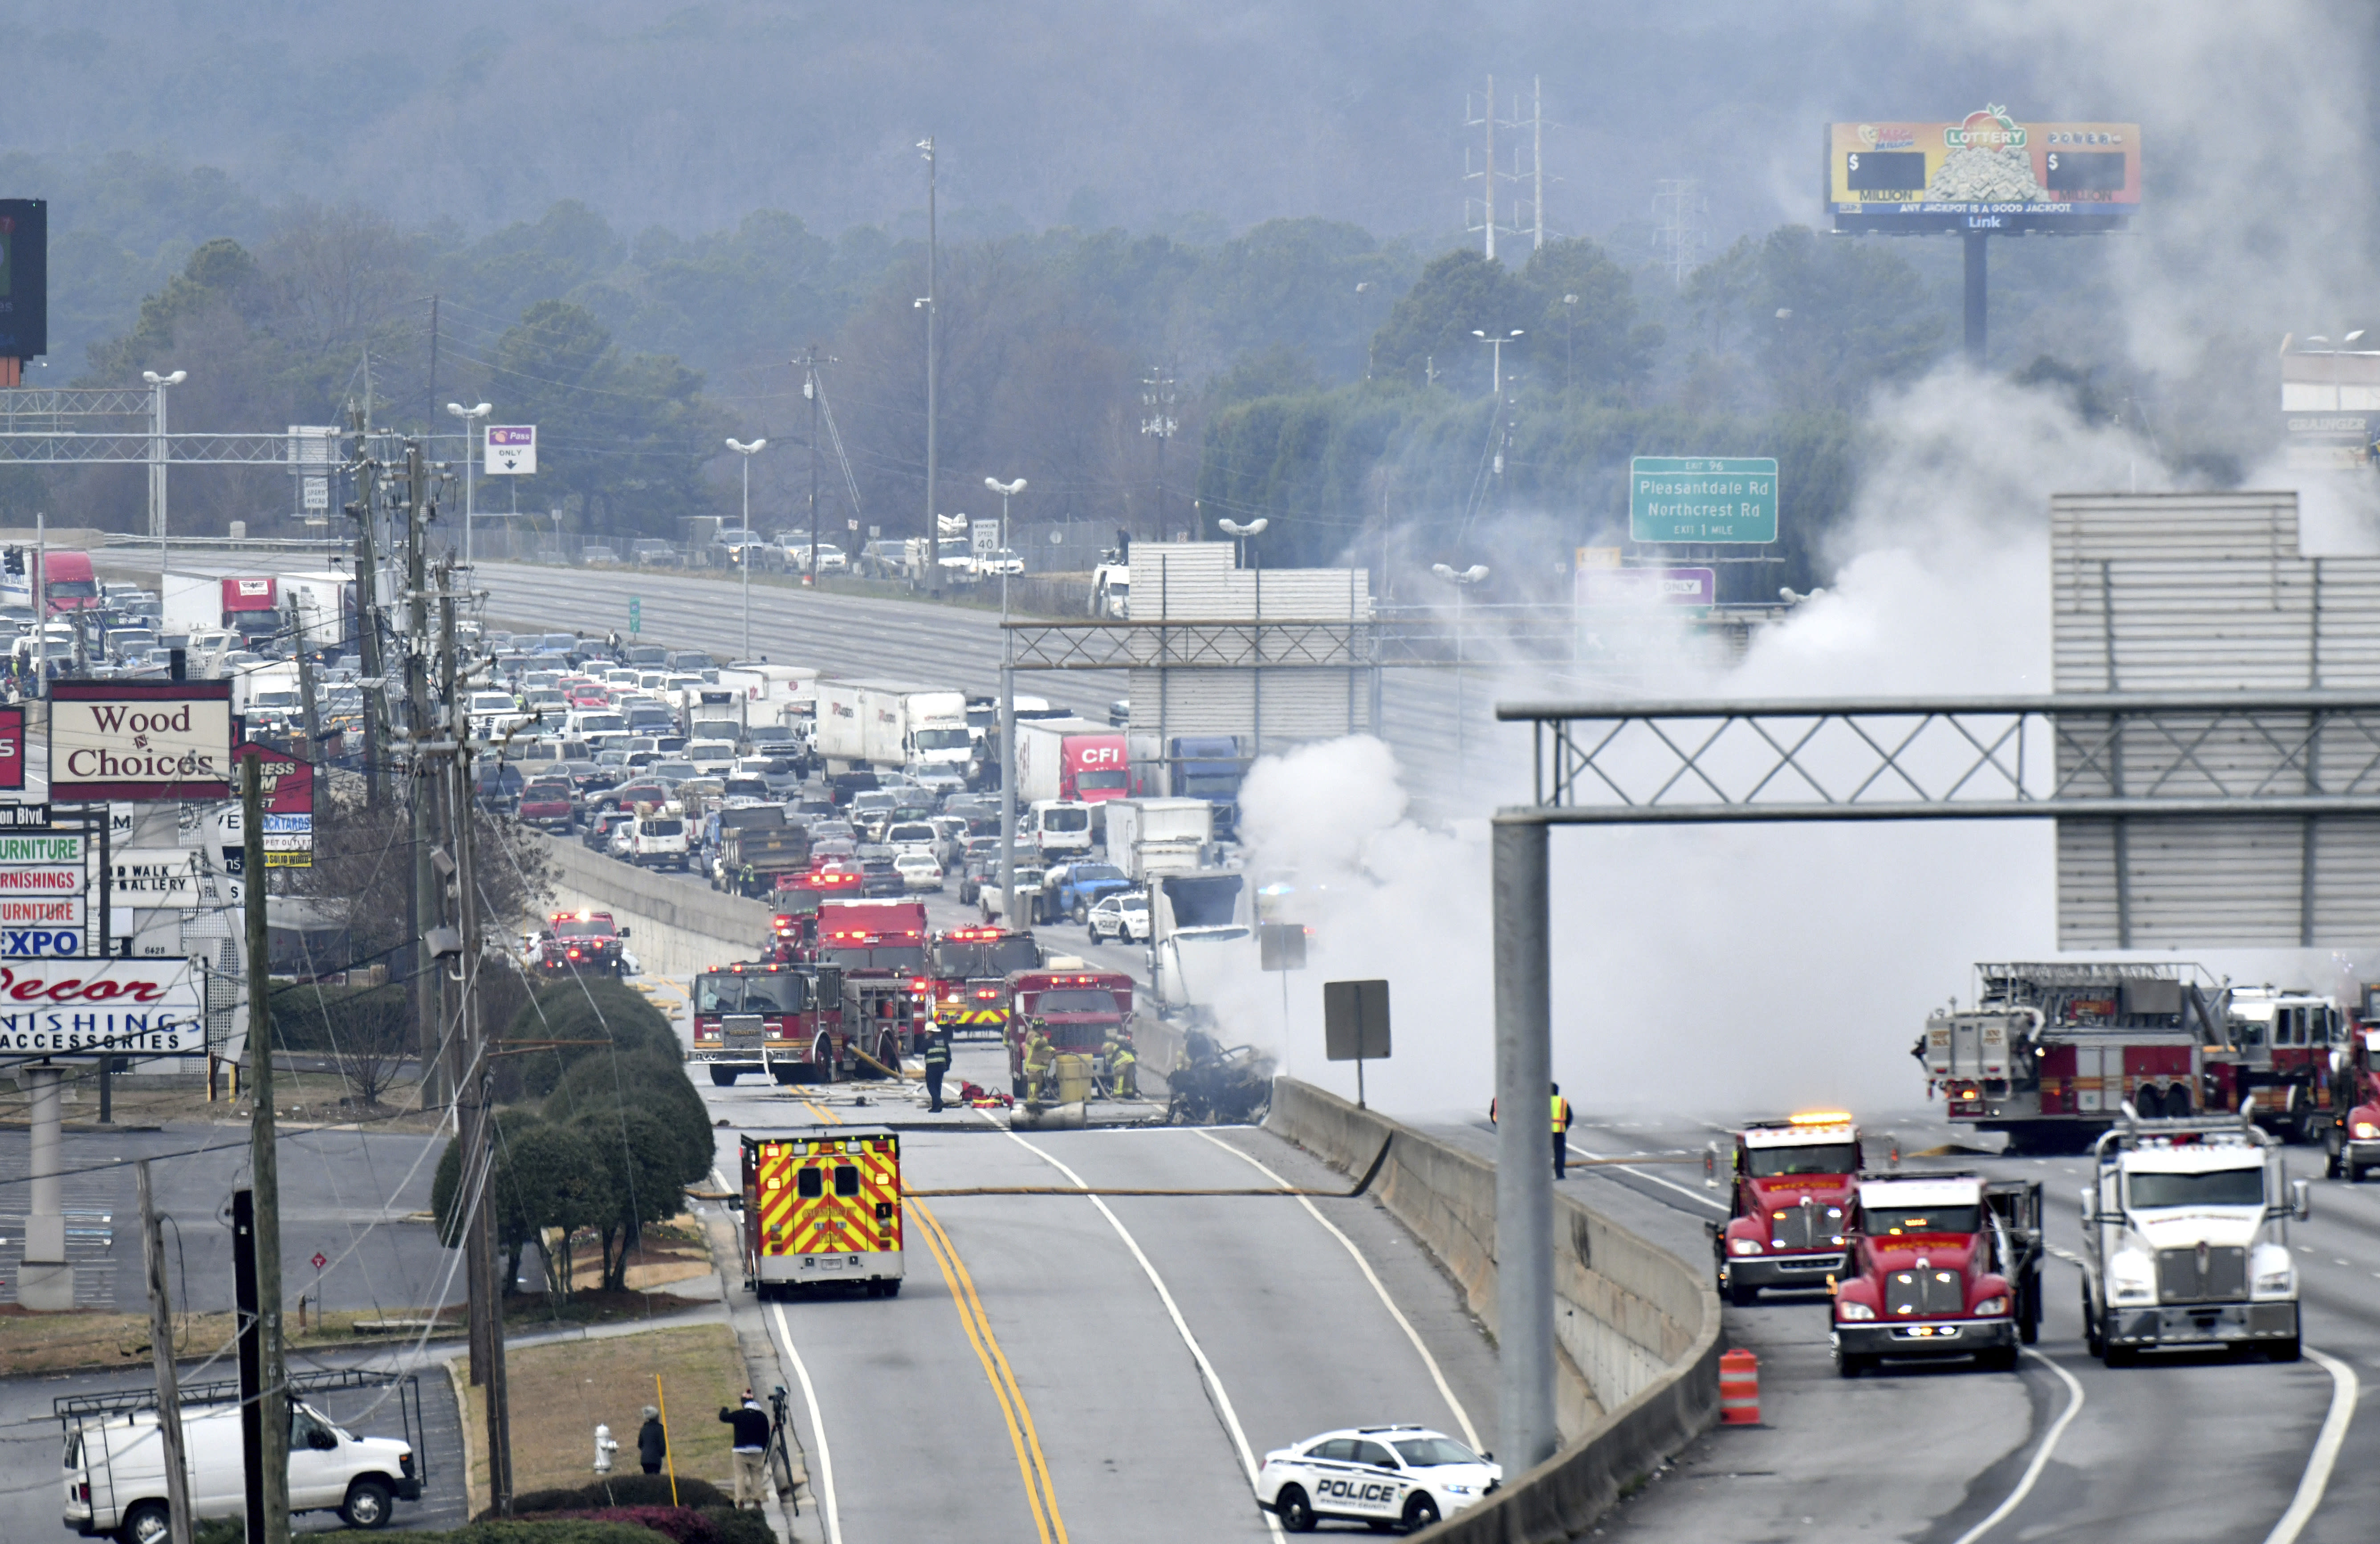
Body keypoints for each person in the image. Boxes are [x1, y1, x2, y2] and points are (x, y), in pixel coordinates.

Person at [719, 1389, 771, 1509]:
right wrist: (762, 1448)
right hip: (757, 1451)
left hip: (740, 1451)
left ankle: (741, 1502)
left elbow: (724, 1418)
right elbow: (766, 1435)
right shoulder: (762, 1417)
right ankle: (757, 1502)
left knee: (740, 1476)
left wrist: (724, 1409)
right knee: (757, 1476)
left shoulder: (739, 1415)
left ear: (743, 1403)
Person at [1021, 1025, 1054, 1101]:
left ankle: (1034, 1100)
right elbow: (1036, 1044)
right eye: (1042, 1028)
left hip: (1038, 1066)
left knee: (1038, 1084)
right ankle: (1032, 1101)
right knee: (1034, 1084)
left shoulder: (1038, 1036)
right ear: (1038, 1028)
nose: (1043, 1030)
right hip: (1034, 1067)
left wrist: (1051, 1051)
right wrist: (1046, 1040)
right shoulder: (1033, 1035)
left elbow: (1043, 1049)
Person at [923, 1029, 952, 1112]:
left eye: (927, 1032)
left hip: (931, 1067)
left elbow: (921, 1049)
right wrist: (947, 1066)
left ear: (930, 1032)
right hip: (941, 1067)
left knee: (931, 1086)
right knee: (938, 1086)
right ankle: (936, 1107)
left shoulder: (928, 1041)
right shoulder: (944, 1041)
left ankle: (938, 1103)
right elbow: (948, 1054)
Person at [1550, 1082, 1573, 1179]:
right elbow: (1570, 1117)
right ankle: (1560, 1175)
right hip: (1559, 1132)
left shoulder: (1541, 1101)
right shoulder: (1563, 1102)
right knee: (1560, 1154)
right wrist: (1564, 1128)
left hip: (1544, 1134)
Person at [637, 1405, 667, 1475]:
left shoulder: (644, 1429)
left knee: (647, 1479)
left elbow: (640, 1445)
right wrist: (662, 1454)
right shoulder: (660, 1429)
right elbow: (662, 1445)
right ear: (656, 1417)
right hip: (655, 1460)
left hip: (644, 1460)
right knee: (656, 1480)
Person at [1112, 1033, 1139, 1099]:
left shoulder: (1115, 1047)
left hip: (1125, 1063)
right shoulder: (1128, 1046)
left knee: (1119, 1075)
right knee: (1129, 1077)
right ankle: (1129, 1092)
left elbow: (1111, 1056)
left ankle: (1118, 1094)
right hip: (1132, 1062)